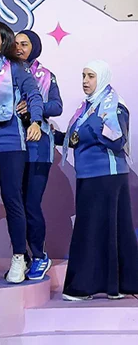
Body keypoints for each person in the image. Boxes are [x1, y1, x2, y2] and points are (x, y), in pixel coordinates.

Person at [55, 60, 138, 301]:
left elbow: (117, 140)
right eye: (83, 75)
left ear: (101, 77)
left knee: (92, 231)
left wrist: (92, 127)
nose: (85, 81)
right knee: (101, 230)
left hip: (107, 176)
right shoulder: (87, 106)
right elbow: (76, 139)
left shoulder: (114, 105)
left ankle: (83, 287)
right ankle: (118, 285)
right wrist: (50, 134)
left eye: (90, 76)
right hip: (89, 175)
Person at [0, 22, 44, 283]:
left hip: (11, 143)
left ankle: (19, 256)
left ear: (3, 40)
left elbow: (33, 95)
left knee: (12, 199)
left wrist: (35, 121)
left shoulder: (16, 67)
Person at [15, 30, 63, 280]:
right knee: (16, 206)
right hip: (14, 147)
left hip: (38, 149)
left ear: (34, 47)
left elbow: (57, 106)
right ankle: (20, 256)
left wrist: (36, 107)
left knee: (31, 205)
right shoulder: (7, 72)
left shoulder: (45, 76)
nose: (19, 48)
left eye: (24, 44)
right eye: (16, 44)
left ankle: (39, 256)